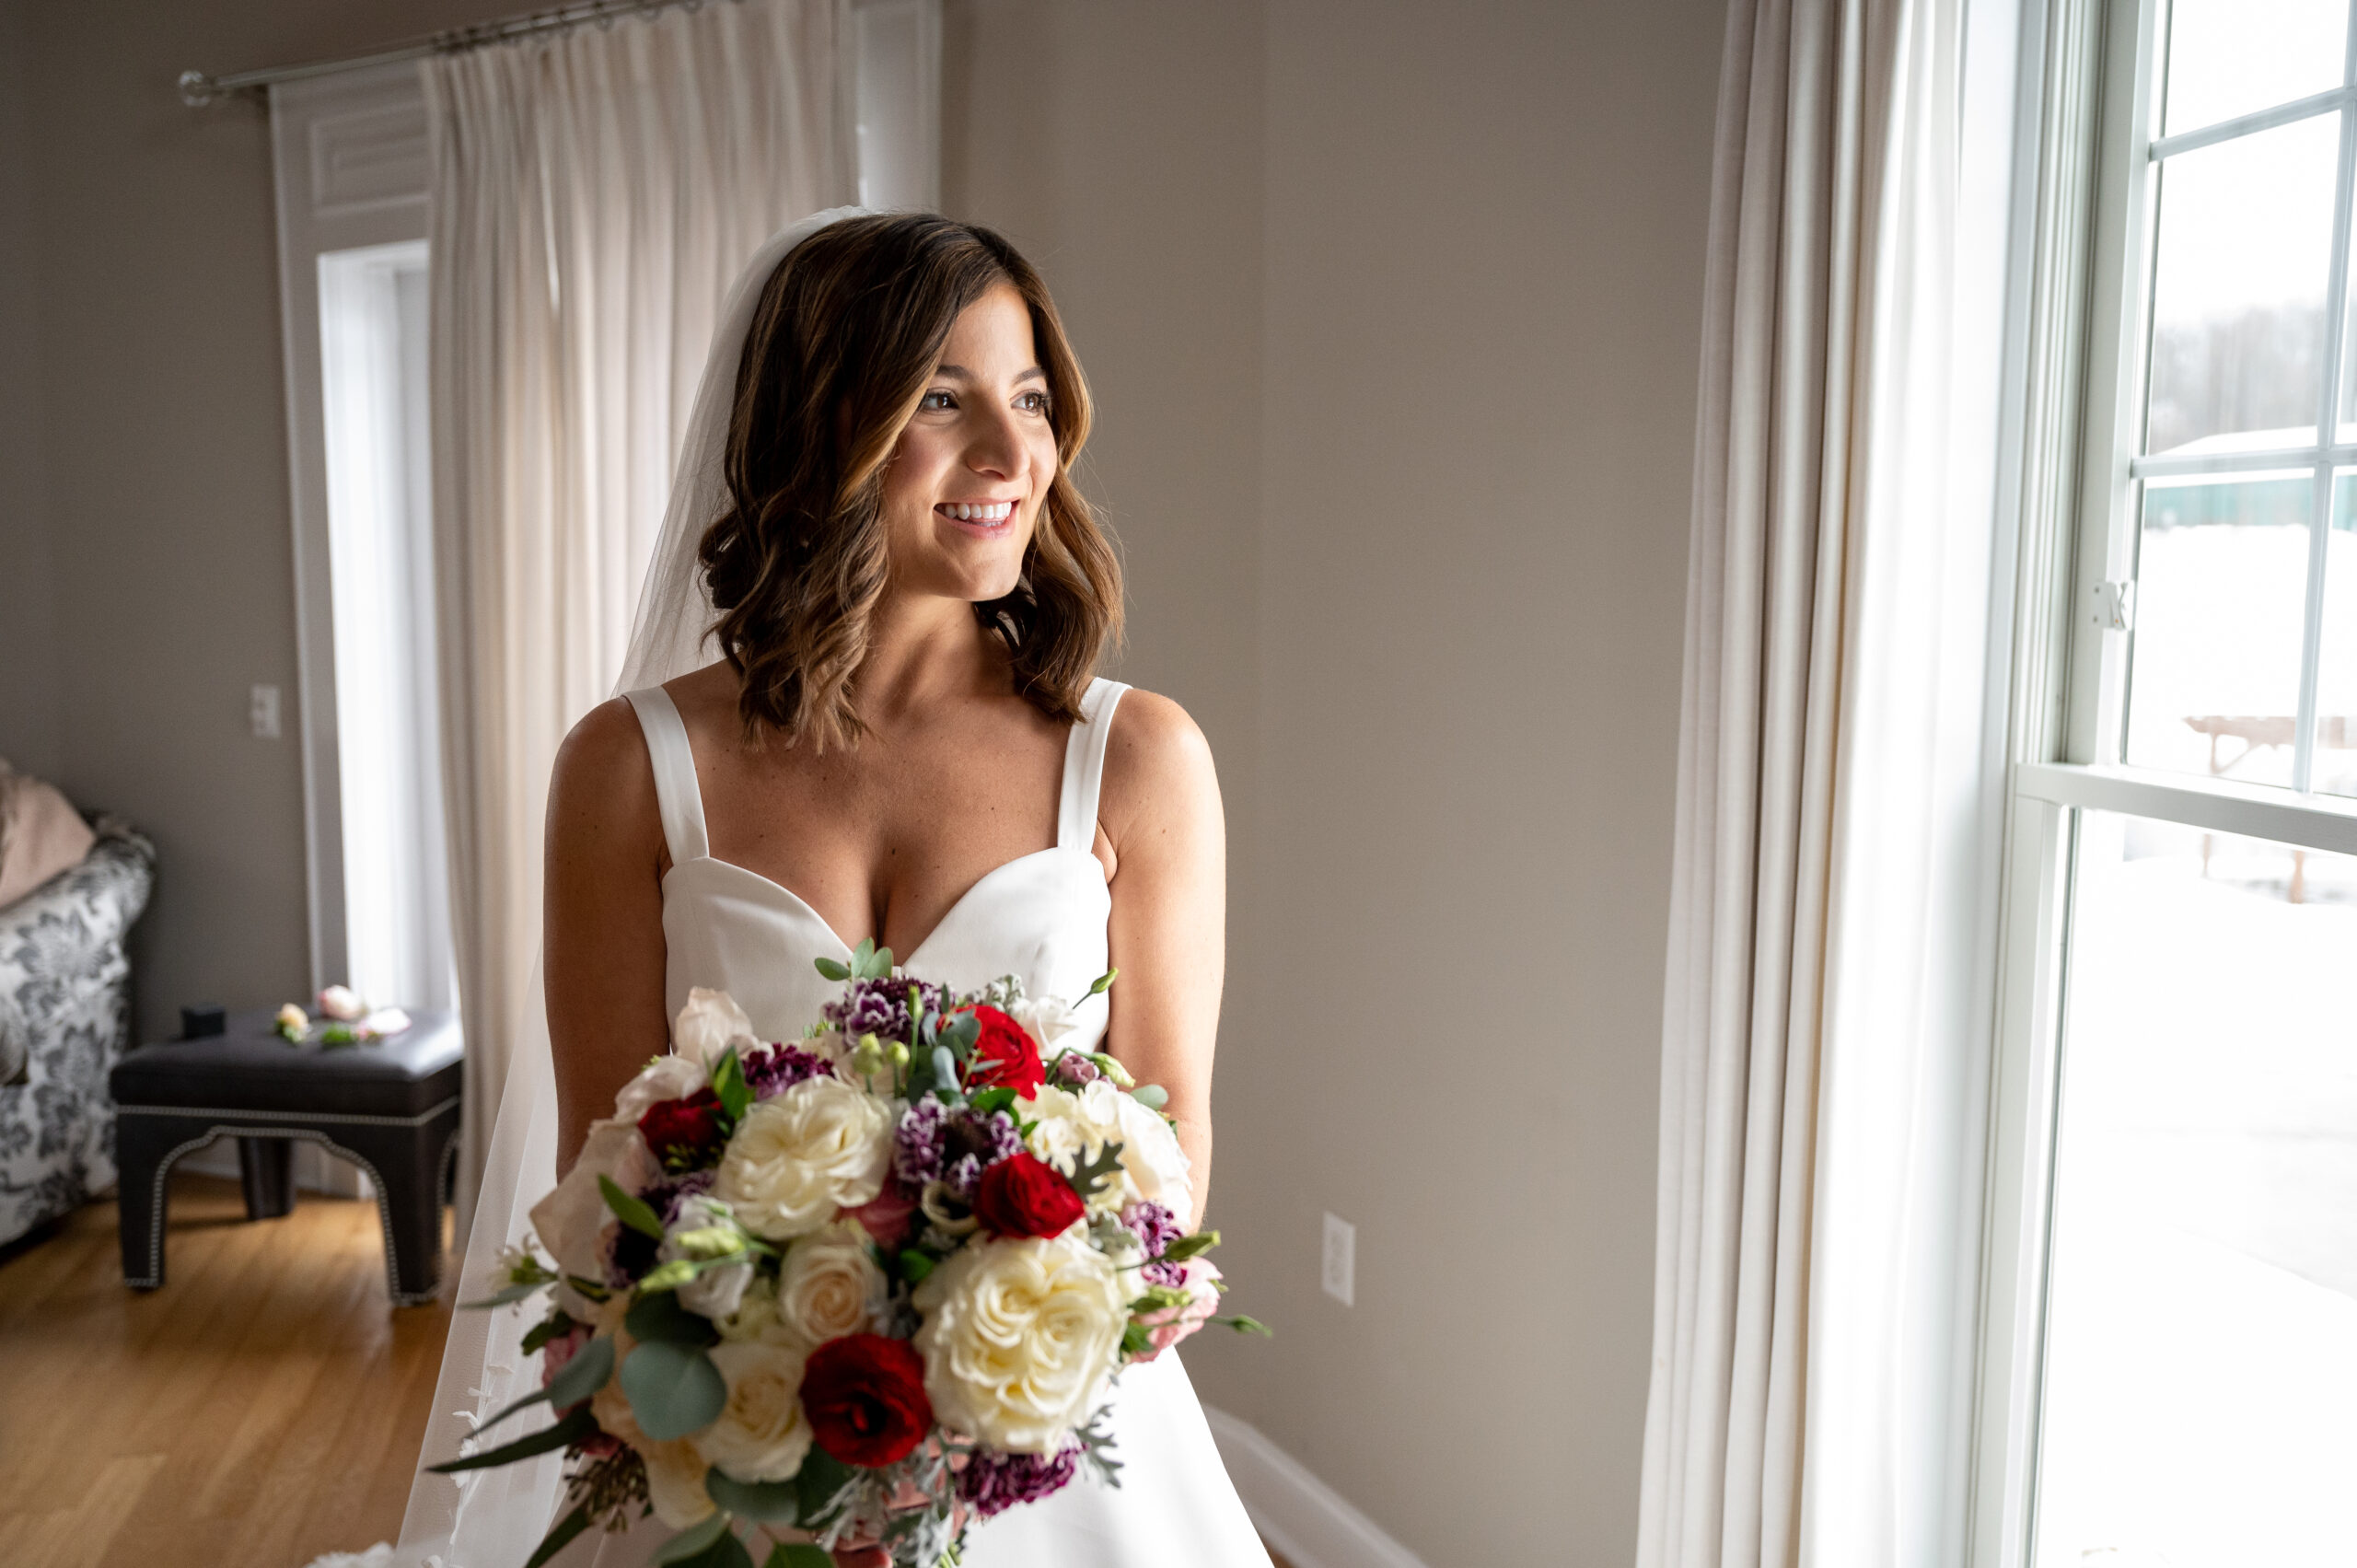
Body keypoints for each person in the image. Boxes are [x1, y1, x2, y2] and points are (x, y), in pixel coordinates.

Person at [495, 210, 1266, 1566]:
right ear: (821, 427)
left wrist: (972, 1390)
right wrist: (781, 1387)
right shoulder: (629, 768)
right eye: (944, 400)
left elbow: (1174, 1143)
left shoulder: (1136, 758)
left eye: (1029, 400)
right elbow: (599, 1181)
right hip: (745, 1452)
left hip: (1052, 1453)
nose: (1013, 455)